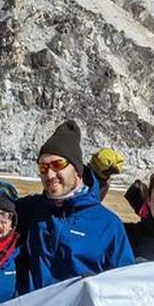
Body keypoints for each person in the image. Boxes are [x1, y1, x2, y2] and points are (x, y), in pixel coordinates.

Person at [18, 120, 134, 291]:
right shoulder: (31, 210)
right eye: (43, 167)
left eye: (58, 165)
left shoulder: (108, 225)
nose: (50, 174)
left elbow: (126, 284)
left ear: (78, 170)